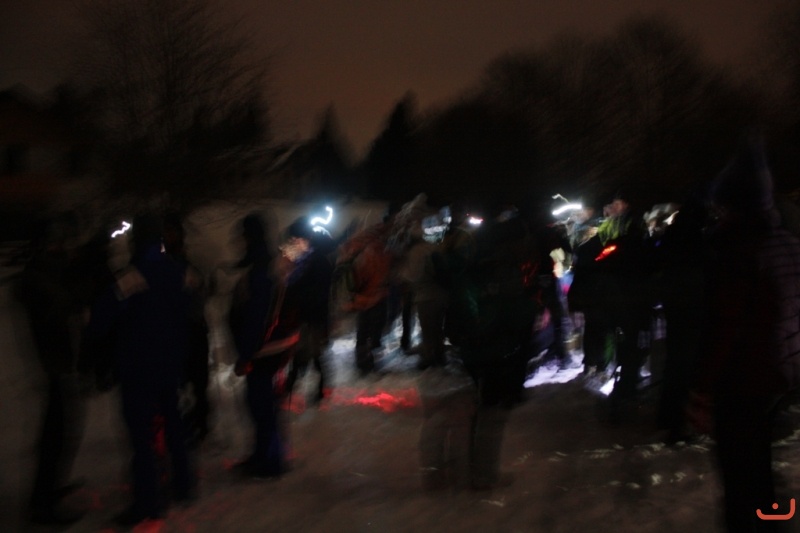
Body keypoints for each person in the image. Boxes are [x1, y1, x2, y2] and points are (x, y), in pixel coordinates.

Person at [688, 137, 800, 532]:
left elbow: (724, 326)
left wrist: (702, 389)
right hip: (779, 374)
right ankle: (769, 519)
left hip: (744, 378)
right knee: (759, 463)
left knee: (740, 474)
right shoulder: (788, 243)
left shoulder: (737, 251)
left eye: (722, 205)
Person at [87, 212, 196, 526]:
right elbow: (191, 308)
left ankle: (147, 501)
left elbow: (100, 320)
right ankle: (184, 484)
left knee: (141, 436)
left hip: (137, 368)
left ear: (136, 240)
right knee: (173, 423)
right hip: (170, 363)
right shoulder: (179, 271)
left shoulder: (131, 277)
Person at [18, 213, 88, 526]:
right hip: (54, 366)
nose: (61, 247)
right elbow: (63, 304)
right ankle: (42, 505)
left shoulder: (45, 273)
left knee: (62, 432)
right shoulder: (37, 278)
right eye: (55, 243)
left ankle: (49, 491)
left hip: (59, 363)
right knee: (56, 436)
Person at [229, 212, 298, 478]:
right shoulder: (269, 264)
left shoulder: (261, 270)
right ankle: (264, 455)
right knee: (263, 405)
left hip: (263, 349)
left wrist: (246, 355)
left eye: (243, 235)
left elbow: (257, 317)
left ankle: (269, 462)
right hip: (272, 346)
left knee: (262, 406)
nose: (240, 240)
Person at [163, 211, 211, 447]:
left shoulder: (186, 266)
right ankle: (186, 423)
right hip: (176, 332)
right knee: (180, 382)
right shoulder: (165, 264)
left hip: (192, 331)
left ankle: (199, 424)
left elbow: (198, 295)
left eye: (171, 232)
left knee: (197, 381)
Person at [336, 208, 396, 374]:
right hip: (373, 295)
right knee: (370, 329)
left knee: (363, 329)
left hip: (361, 295)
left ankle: (363, 360)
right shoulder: (375, 247)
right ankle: (365, 362)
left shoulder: (354, 244)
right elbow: (378, 269)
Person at [281, 217, 334, 405]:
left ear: (305, 239)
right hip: (306, 314)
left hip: (313, 315)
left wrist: (295, 293)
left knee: (313, 351)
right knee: (303, 350)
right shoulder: (308, 259)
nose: (294, 244)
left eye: (296, 240)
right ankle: (295, 382)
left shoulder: (316, 261)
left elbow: (312, 290)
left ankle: (319, 386)